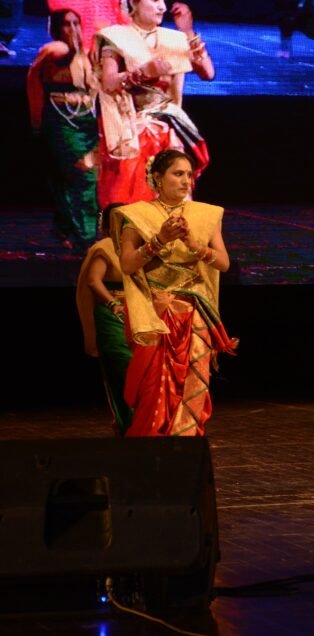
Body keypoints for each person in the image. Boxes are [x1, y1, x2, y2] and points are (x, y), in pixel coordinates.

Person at [111, 149, 237, 437]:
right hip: (155, 313)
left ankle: (187, 442)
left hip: (194, 314)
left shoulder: (205, 215)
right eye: (178, 174)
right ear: (157, 177)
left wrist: (194, 245)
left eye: (189, 175)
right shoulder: (136, 215)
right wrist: (159, 240)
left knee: (193, 383)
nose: (185, 181)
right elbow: (128, 264)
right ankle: (151, 446)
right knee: (154, 388)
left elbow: (223, 263)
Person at [95, 0, 214, 208]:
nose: (162, 7)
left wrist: (187, 31)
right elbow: (108, 82)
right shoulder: (117, 38)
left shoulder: (173, 39)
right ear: (133, 3)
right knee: (135, 196)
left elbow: (208, 73)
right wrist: (142, 73)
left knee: (174, 195)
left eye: (163, 2)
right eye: (155, 0)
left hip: (169, 125)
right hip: (131, 128)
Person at [26, 8, 99, 251]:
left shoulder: (86, 54)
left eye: (76, 23)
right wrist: (36, 119)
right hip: (62, 120)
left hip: (86, 122)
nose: (73, 29)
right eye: (67, 24)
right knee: (83, 175)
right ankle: (86, 237)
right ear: (57, 28)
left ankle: (65, 227)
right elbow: (35, 76)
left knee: (76, 177)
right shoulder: (54, 49)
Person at [76, 201, 133, 434]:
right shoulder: (105, 247)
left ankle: (143, 422)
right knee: (121, 368)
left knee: (140, 369)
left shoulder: (134, 248)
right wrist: (112, 303)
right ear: (109, 225)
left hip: (135, 312)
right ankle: (126, 422)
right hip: (112, 315)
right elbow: (93, 280)